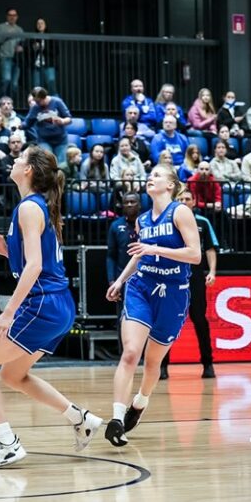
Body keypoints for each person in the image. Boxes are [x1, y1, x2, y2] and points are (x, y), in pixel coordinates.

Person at [0, 146, 103, 469]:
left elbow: (35, 267)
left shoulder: (29, 208)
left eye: (19, 158)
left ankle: (5, 442)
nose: (13, 160)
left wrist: (8, 311)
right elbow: (31, 260)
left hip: (41, 303)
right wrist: (5, 248)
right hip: (58, 304)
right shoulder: (36, 207)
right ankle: (80, 418)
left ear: (28, 170)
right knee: (13, 375)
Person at [103, 163, 201, 446]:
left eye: (157, 175)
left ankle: (141, 401)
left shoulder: (181, 212)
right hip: (142, 288)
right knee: (131, 352)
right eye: (150, 174)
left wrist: (154, 249)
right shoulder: (142, 220)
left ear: (170, 185)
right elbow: (138, 255)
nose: (151, 178)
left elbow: (194, 255)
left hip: (173, 294)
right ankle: (117, 419)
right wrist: (120, 280)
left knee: (153, 361)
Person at [160, 189, 218, 380]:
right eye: (181, 199)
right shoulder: (168, 222)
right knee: (166, 321)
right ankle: (162, 367)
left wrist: (211, 271)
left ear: (194, 201)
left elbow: (209, 248)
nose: (184, 201)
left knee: (199, 319)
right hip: (172, 276)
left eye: (188, 199)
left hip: (195, 277)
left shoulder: (202, 222)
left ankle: (208, 364)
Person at [106, 192, 140, 351]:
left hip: (146, 277)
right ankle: (124, 353)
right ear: (122, 205)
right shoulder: (115, 226)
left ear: (139, 205)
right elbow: (110, 256)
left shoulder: (146, 223)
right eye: (127, 202)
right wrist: (113, 280)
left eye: (133, 202)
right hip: (124, 280)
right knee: (123, 317)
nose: (130, 205)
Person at [23, 87, 72, 166]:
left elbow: (69, 118)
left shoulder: (57, 102)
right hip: (44, 140)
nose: (37, 103)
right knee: (47, 163)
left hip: (60, 140)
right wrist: (19, 126)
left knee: (62, 165)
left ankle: (59, 178)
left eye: (38, 101)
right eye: (35, 101)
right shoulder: (36, 107)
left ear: (44, 97)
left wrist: (62, 121)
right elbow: (27, 123)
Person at [0, 8, 24, 99]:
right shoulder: (1, 27)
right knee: (6, 79)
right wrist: (6, 35)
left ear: (17, 17)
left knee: (14, 84)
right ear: (7, 17)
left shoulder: (19, 29)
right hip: (5, 57)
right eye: (10, 15)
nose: (12, 17)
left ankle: (11, 103)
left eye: (14, 15)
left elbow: (23, 43)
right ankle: (1, 100)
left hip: (17, 59)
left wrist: (21, 47)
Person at [28, 17, 58, 95]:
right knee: (36, 87)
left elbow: (56, 51)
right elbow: (28, 52)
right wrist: (34, 48)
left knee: (51, 84)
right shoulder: (33, 37)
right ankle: (38, 106)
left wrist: (42, 48)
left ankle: (56, 105)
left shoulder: (51, 37)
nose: (39, 25)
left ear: (45, 25)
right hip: (36, 65)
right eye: (38, 23)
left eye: (42, 23)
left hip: (48, 65)